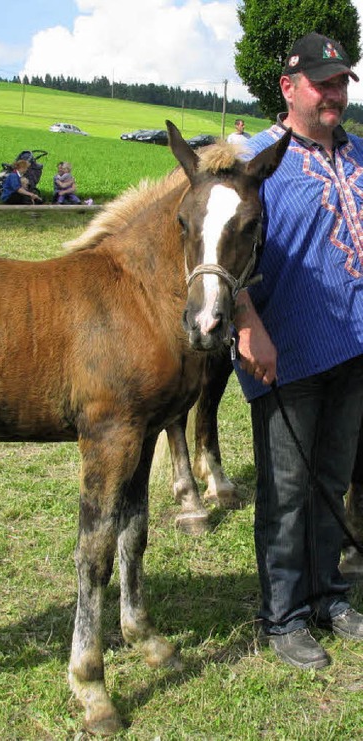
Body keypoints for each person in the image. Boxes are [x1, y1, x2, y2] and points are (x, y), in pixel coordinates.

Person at [234, 32, 363, 670]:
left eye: (342, 81)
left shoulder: (360, 154)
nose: (336, 92)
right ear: (289, 88)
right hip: (287, 353)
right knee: (286, 491)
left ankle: (329, 597)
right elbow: (214, 256)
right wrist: (246, 323)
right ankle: (284, 615)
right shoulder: (252, 162)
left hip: (355, 349)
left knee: (331, 482)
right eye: (323, 83)